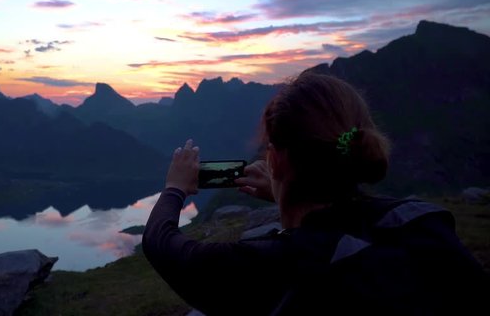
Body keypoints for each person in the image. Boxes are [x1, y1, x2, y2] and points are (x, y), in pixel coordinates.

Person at [142, 72, 488, 315]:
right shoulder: (420, 222)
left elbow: (160, 244)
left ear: (274, 159)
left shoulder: (274, 266)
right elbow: (346, 213)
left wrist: (175, 187)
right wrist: (283, 195)